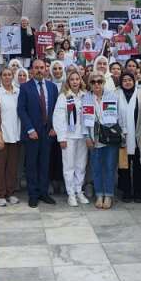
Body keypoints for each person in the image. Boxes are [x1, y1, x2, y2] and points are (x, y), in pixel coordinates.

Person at [17, 58, 59, 208]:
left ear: (46, 70)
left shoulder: (52, 87)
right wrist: (30, 129)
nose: (39, 70)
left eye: (42, 67)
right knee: (32, 165)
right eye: (36, 68)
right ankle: (33, 195)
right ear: (32, 70)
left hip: (48, 132)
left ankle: (43, 192)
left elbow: (56, 110)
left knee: (45, 164)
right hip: (32, 133)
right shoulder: (25, 87)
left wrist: (55, 127)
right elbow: (21, 110)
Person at [54, 66, 90, 206]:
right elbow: (58, 118)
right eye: (72, 79)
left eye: (77, 79)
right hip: (69, 136)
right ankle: (71, 194)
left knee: (81, 165)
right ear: (68, 82)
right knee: (69, 166)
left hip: (82, 135)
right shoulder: (64, 96)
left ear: (80, 80)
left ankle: (78, 190)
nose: (75, 82)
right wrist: (61, 137)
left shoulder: (85, 95)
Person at [85, 72, 120, 208]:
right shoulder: (86, 98)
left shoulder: (112, 96)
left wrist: (122, 134)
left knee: (110, 167)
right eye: (93, 82)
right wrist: (87, 136)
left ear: (104, 82)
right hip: (94, 137)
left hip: (110, 137)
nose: (97, 84)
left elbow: (119, 116)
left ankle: (109, 195)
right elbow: (84, 120)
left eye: (99, 81)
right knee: (96, 167)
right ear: (90, 84)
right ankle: (99, 194)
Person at [0, 66, 22, 206]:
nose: (7, 77)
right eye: (5, 75)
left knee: (12, 167)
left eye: (10, 74)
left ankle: (10, 192)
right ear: (1, 77)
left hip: (16, 135)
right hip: (2, 134)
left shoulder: (18, 92)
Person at [117, 70, 141, 203]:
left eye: (130, 80)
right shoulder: (116, 94)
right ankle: (126, 191)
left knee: (139, 166)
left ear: (134, 80)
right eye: (124, 80)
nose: (127, 82)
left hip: (137, 135)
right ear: (121, 82)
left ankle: (138, 192)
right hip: (122, 137)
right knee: (124, 166)